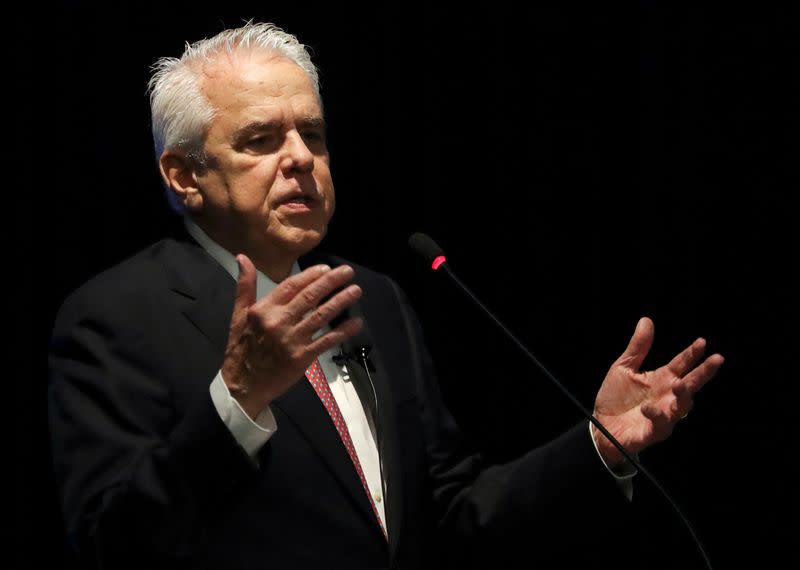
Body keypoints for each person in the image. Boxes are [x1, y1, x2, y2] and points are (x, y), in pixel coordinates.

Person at [48, 21, 724, 569]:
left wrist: (598, 446)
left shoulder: (374, 300)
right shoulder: (116, 318)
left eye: (311, 134)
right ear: (184, 174)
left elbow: (454, 513)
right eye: (260, 140)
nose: (300, 159)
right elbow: (114, 544)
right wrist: (237, 399)